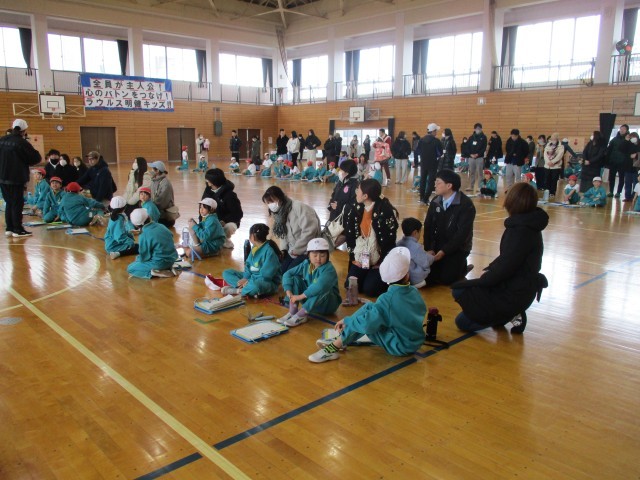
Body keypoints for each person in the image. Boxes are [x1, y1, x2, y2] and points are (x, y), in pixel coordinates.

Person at [451, 182, 548, 334]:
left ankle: (509, 314)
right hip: (517, 285)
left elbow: (506, 266)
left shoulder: (521, 230)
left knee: (460, 298)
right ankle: (505, 314)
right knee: (464, 293)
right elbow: (509, 259)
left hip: (514, 291)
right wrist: (490, 271)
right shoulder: (526, 224)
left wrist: (482, 281)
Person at [308, 247, 426, 363]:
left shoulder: (387, 299)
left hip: (399, 346)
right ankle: (342, 339)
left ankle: (333, 347)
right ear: (407, 275)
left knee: (363, 320)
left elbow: (367, 325)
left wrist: (347, 320)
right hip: (414, 342)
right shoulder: (413, 291)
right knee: (370, 309)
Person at [343, 178, 399, 297]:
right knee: (351, 285)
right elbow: (350, 236)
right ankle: (366, 274)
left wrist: (382, 262)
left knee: (370, 289)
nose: (356, 192)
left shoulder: (385, 211)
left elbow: (389, 242)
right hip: (362, 255)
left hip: (379, 258)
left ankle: (384, 278)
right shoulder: (355, 207)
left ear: (365, 196)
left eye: (358, 190)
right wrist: (354, 258)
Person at [423, 169, 476, 286]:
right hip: (438, 244)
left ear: (449, 186)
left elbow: (462, 234)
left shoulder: (466, 205)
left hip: (458, 247)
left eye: (438, 182)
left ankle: (462, 267)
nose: (435, 185)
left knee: (447, 279)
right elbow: (428, 226)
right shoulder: (436, 201)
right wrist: (429, 248)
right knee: (429, 275)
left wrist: (444, 251)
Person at [278, 237, 342, 327]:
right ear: (308, 255)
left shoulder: (329, 269)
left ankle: (301, 315)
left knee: (321, 289)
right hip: (311, 303)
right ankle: (293, 312)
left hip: (327, 305)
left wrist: (300, 296)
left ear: (327, 256)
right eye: (315, 255)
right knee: (295, 279)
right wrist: (288, 291)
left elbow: (320, 286)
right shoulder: (306, 264)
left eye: (322, 256)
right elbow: (288, 274)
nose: (318, 259)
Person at [262, 185, 321, 272]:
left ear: (280, 198)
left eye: (272, 201)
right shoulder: (279, 213)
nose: (270, 205)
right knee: (279, 271)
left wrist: (297, 249)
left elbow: (310, 231)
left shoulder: (299, 207)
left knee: (289, 274)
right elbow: (283, 234)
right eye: (268, 202)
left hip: (307, 250)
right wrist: (283, 249)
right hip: (292, 251)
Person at [0, 119, 42, 237]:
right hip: (16, 178)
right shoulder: (22, 142)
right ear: (24, 130)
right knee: (17, 203)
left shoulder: (2, 140)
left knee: (9, 202)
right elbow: (36, 158)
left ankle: (9, 228)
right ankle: (18, 229)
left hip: (2, 177)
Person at [221, 223, 282, 297]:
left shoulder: (270, 252)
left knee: (256, 285)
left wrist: (248, 280)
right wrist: (245, 278)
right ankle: (244, 288)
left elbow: (265, 276)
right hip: (251, 277)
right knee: (227, 273)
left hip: (266, 282)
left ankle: (239, 290)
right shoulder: (255, 247)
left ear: (252, 236)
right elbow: (248, 265)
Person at [127, 208, 177, 279]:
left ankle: (155, 273)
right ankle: (168, 268)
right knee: (138, 259)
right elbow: (170, 236)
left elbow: (145, 257)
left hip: (159, 263)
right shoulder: (161, 226)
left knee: (131, 268)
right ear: (149, 217)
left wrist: (138, 259)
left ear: (136, 225)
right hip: (172, 259)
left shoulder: (144, 235)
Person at [202, 168, 243, 249]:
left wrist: (223, 221)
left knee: (229, 227)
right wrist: (202, 222)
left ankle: (224, 239)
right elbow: (203, 207)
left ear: (213, 181)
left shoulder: (230, 195)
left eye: (208, 179)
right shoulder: (208, 191)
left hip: (225, 222)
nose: (206, 181)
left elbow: (238, 214)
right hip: (211, 220)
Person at [396, 217, 434, 288]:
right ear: (415, 232)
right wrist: (433, 257)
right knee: (435, 272)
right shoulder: (416, 246)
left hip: (403, 276)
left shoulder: (398, 243)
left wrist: (425, 253)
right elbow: (425, 262)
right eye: (420, 232)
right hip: (415, 278)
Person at [327, 159, 358, 226]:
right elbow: (334, 194)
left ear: (347, 172)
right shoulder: (341, 181)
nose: (339, 172)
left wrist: (339, 206)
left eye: (341, 170)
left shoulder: (355, 185)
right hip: (334, 215)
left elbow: (353, 204)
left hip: (344, 220)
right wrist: (331, 204)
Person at [149, 161, 179, 227]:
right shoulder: (154, 181)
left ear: (157, 171)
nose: (151, 170)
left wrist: (150, 206)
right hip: (157, 213)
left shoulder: (165, 183)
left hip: (164, 217)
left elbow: (161, 201)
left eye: (152, 169)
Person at [418, 122, 443, 203]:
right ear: (433, 131)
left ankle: (421, 197)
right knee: (431, 181)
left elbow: (417, 150)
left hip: (423, 163)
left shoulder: (421, 140)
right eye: (436, 131)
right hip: (433, 163)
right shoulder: (436, 141)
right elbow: (440, 153)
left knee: (423, 179)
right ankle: (426, 198)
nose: (436, 133)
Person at [504, 128, 529, 193]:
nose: (513, 137)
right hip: (509, 161)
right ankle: (509, 189)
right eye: (512, 136)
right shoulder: (509, 140)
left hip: (518, 162)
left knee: (517, 176)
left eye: (514, 136)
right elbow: (507, 149)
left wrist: (518, 154)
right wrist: (511, 153)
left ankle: (517, 190)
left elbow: (526, 151)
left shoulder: (523, 142)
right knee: (508, 175)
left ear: (517, 135)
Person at [467, 123, 487, 193]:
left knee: (480, 172)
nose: (478, 130)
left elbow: (484, 148)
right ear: (474, 129)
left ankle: (479, 186)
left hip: (479, 157)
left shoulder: (484, 137)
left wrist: (478, 154)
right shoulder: (471, 137)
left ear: (481, 129)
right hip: (471, 157)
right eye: (477, 128)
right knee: (471, 172)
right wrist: (470, 154)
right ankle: (471, 186)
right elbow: (467, 147)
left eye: (479, 128)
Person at [543, 133, 564, 198]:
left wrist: (553, 162)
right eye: (552, 138)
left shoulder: (561, 146)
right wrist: (548, 162)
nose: (553, 140)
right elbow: (545, 154)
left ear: (557, 139)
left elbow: (559, 156)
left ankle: (552, 192)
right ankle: (546, 191)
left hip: (556, 166)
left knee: (554, 180)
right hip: (547, 166)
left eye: (554, 138)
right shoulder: (548, 145)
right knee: (546, 179)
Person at [623, 131, 639, 202]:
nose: (632, 139)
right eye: (631, 137)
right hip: (628, 167)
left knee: (636, 183)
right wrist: (626, 140)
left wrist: (636, 155)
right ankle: (627, 197)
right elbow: (621, 149)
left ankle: (634, 196)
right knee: (627, 183)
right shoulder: (628, 144)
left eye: (633, 137)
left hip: (637, 168)